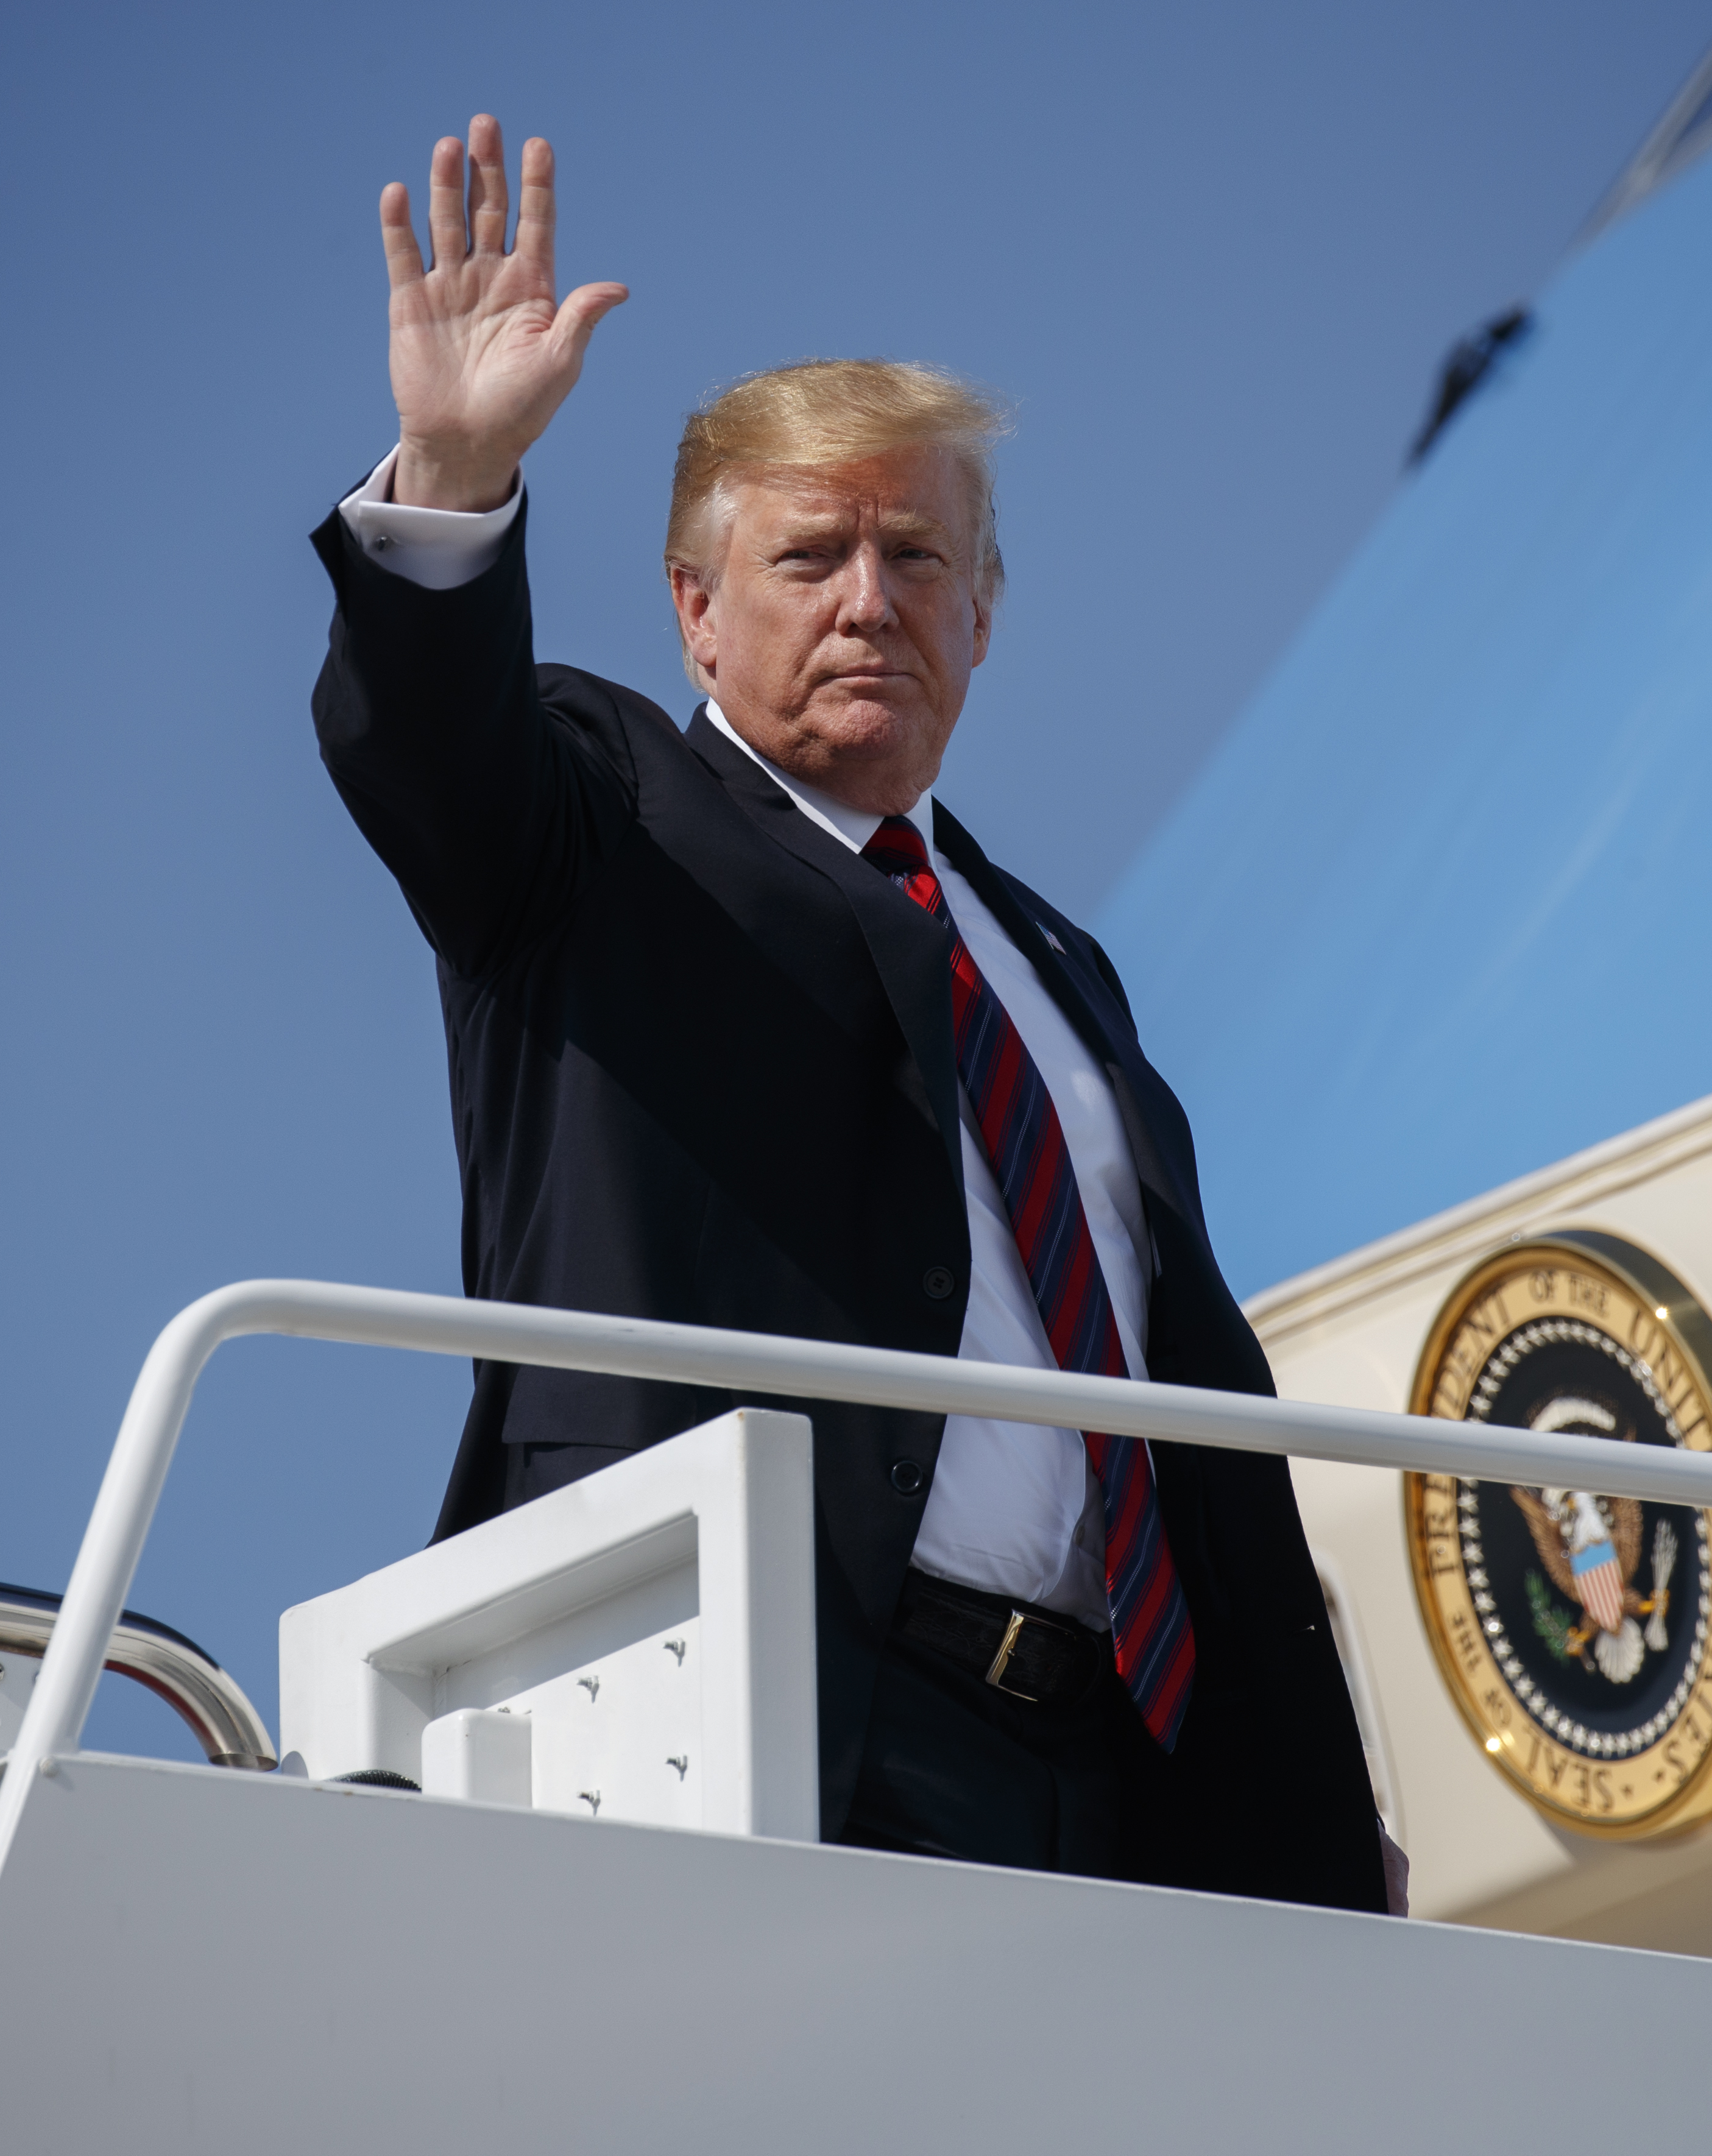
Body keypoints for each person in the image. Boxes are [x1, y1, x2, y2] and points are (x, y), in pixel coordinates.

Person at [310, 115, 1395, 1914]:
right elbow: (428, 745)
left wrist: (1302, 1774)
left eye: (915, 560)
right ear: (694, 612)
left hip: (1121, 1763)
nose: (867, 604)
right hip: (764, 1696)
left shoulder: (1053, 968)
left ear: (985, 616)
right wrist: (447, 475)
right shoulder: (598, 817)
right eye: (810, 559)